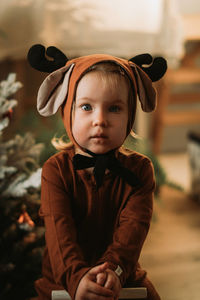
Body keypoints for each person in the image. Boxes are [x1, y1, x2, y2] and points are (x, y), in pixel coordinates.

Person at [27, 45, 167, 300]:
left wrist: (114, 270)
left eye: (114, 108)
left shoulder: (140, 170)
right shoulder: (55, 170)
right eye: (86, 107)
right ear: (67, 111)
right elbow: (59, 234)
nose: (100, 120)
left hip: (122, 276)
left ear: (130, 116)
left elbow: (133, 230)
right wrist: (77, 277)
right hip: (63, 278)